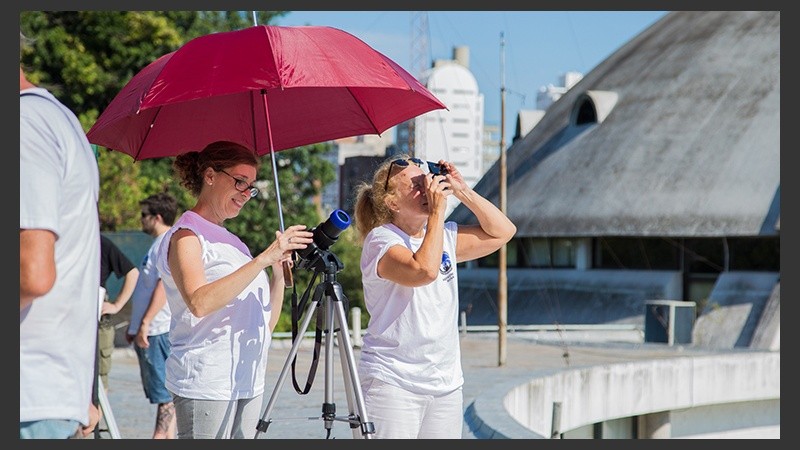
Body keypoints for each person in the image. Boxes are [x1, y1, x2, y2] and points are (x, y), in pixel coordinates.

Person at [155, 140, 314, 439]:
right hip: (207, 379)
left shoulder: (235, 243)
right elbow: (199, 302)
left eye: (251, 187)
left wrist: (276, 273)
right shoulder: (187, 235)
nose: (245, 194)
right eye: (240, 181)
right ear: (210, 175)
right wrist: (262, 259)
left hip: (247, 379)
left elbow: (265, 323)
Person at [353, 155, 517, 439]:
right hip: (392, 383)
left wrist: (462, 190)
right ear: (393, 203)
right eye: (416, 185)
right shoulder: (381, 240)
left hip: (444, 385)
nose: (427, 187)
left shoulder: (443, 236)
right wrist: (438, 212)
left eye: (425, 179)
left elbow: (503, 232)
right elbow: (424, 271)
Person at [20, 31, 101, 439]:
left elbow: (32, 274)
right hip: (44, 393)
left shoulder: (25, 124)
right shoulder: (56, 119)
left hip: (28, 395)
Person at [126, 192, 179, 439]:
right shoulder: (160, 243)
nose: (141, 219)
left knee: (164, 394)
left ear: (157, 217)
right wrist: (135, 325)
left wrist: (145, 323)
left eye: (144, 214)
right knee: (165, 393)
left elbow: (163, 286)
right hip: (152, 329)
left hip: (157, 329)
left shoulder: (164, 243)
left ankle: (158, 437)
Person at [99, 234, 139, 390]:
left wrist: (117, 305)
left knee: (99, 380)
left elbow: (132, 273)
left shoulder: (100, 242)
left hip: (98, 321)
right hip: (68, 321)